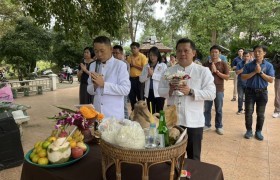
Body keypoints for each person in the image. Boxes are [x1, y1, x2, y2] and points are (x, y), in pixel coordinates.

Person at [158, 38, 216, 161]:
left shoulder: (203, 71)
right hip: (174, 121)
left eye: (186, 50)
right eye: (179, 51)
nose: (182, 54)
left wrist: (191, 91)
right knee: (172, 156)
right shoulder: (169, 71)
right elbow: (160, 91)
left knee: (193, 158)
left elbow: (212, 94)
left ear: (193, 53)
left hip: (194, 122)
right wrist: (170, 90)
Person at [87, 36, 130, 120]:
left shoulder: (120, 65)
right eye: (96, 51)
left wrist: (104, 85)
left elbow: (125, 89)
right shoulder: (93, 65)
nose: (99, 54)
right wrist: (95, 86)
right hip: (98, 114)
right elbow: (89, 89)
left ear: (110, 49)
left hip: (114, 115)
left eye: (102, 51)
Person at [241, 45, 275, 140]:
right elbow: (243, 77)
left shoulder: (269, 65)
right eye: (255, 51)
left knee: (260, 114)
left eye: (259, 51)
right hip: (250, 92)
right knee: (248, 112)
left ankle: (258, 131)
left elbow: (271, 80)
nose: (257, 53)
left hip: (262, 93)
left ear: (264, 53)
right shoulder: (248, 65)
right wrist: (255, 72)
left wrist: (260, 72)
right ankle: (249, 131)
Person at [203, 45, 230, 135]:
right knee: (207, 108)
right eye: (212, 52)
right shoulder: (206, 64)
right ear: (210, 53)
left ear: (219, 53)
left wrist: (217, 72)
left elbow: (227, 77)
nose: (214, 54)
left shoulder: (223, 63)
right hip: (208, 89)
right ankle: (207, 124)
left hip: (219, 89)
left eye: (216, 52)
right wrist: (211, 71)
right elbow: (202, 77)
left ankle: (219, 126)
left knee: (218, 109)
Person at [140, 47, 167, 114]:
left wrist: (153, 74)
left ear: (158, 55)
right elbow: (141, 79)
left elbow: (165, 79)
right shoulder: (146, 66)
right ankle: (152, 124)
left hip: (160, 93)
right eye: (150, 55)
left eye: (154, 55)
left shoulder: (163, 65)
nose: (152, 57)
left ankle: (160, 124)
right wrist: (148, 76)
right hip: (149, 93)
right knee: (151, 112)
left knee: (159, 113)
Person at [127, 42, 148, 111]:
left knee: (141, 97)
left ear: (138, 48)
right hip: (131, 80)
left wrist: (134, 65)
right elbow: (127, 67)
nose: (133, 50)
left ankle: (142, 112)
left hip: (140, 80)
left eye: (134, 48)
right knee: (132, 97)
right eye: (132, 48)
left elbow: (145, 69)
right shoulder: (129, 57)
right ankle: (134, 112)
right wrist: (130, 65)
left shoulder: (142, 57)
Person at [113, 45, 130, 119]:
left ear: (121, 53)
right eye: (113, 53)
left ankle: (126, 122)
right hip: (114, 88)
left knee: (123, 106)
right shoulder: (112, 63)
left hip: (122, 88)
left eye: (117, 53)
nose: (115, 55)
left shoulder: (124, 64)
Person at [271, 53, 280, 118]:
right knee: (277, 94)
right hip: (278, 77)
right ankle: (277, 111)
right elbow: (273, 65)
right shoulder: (277, 55)